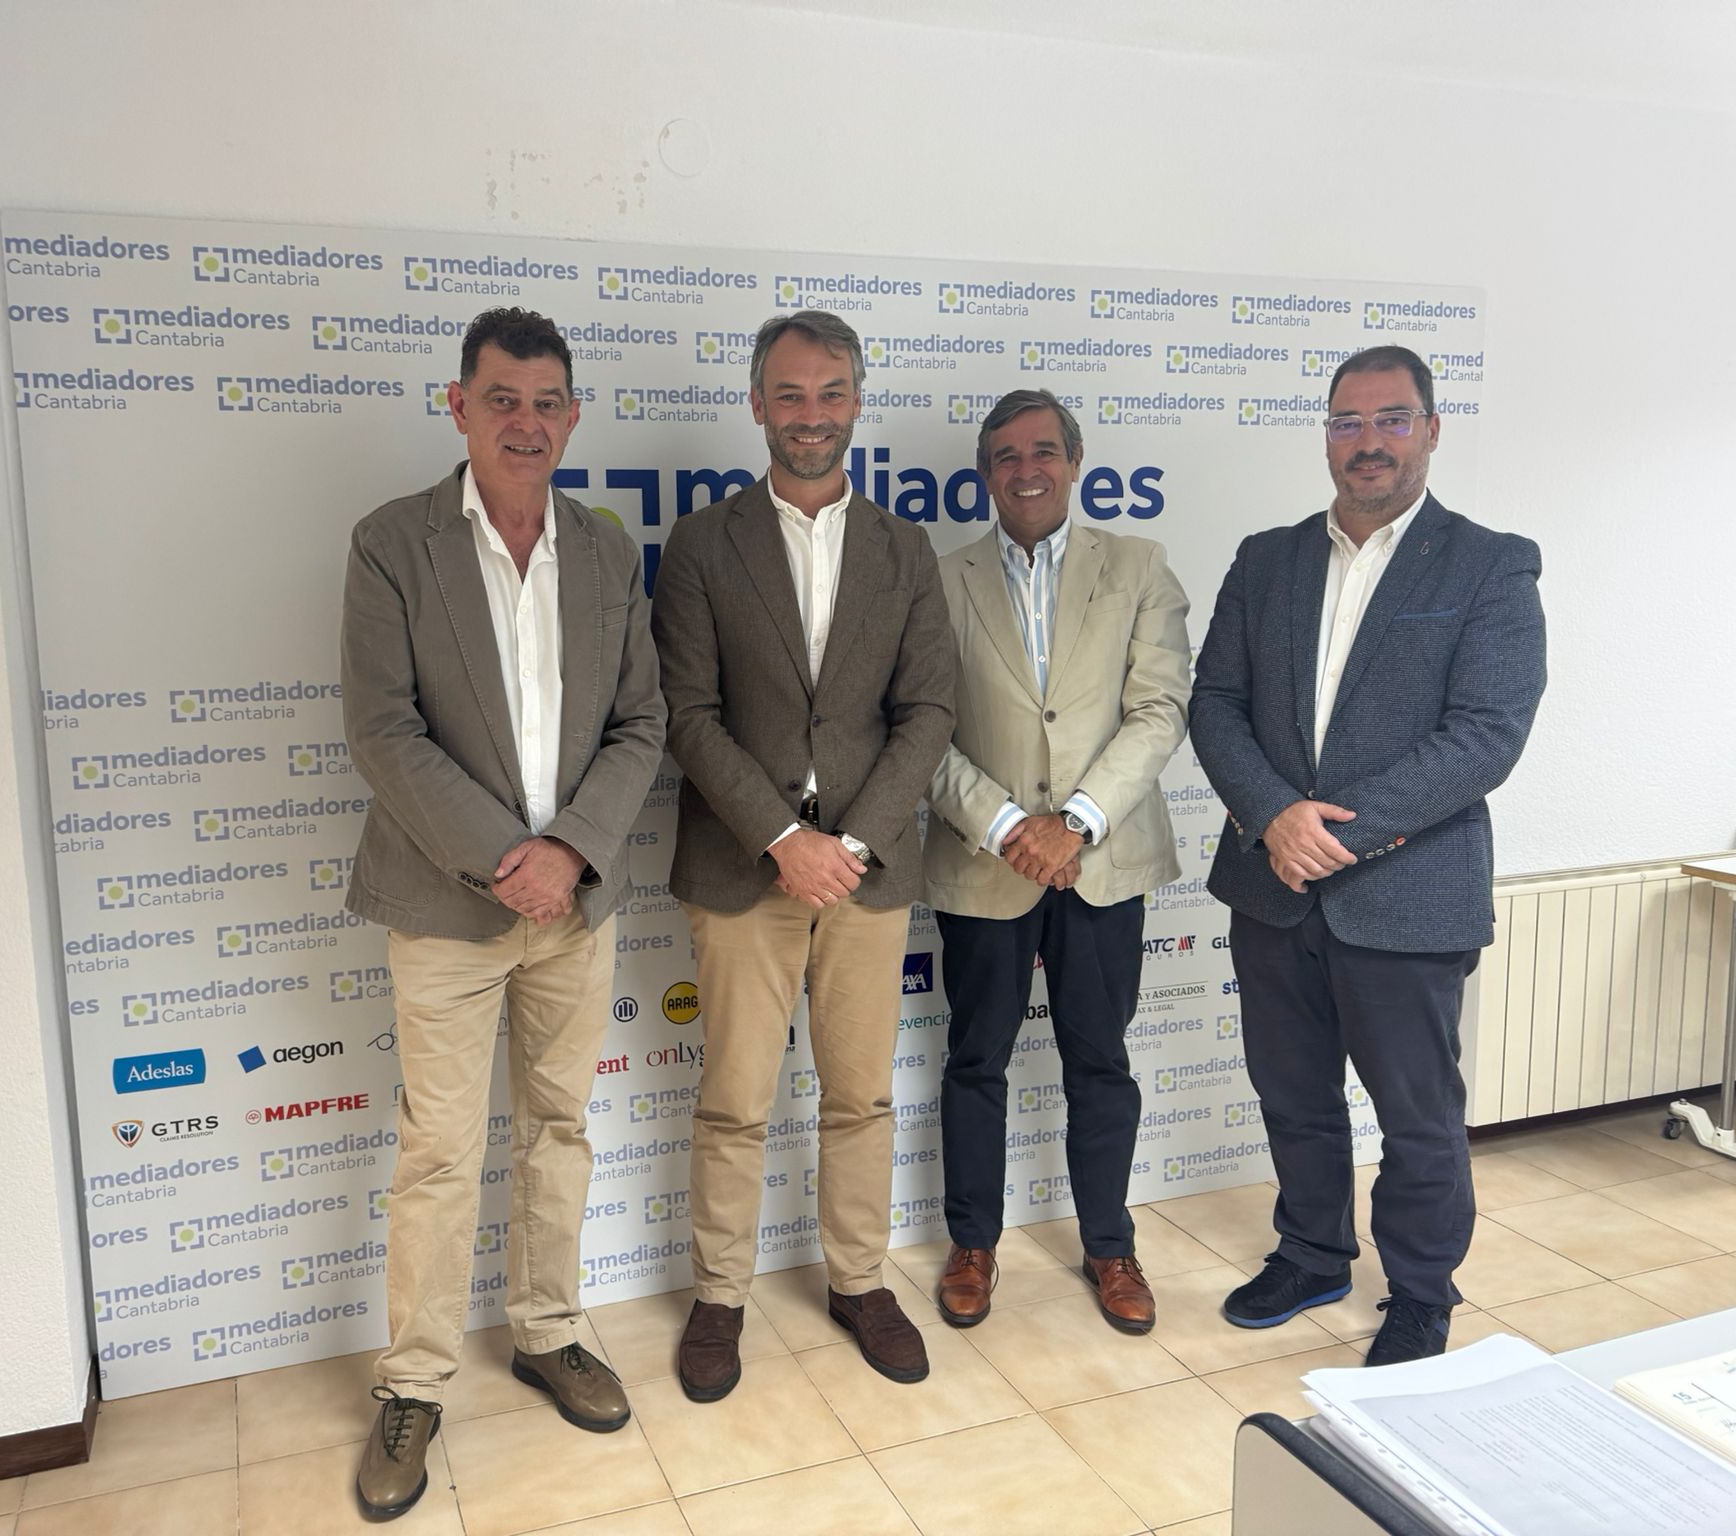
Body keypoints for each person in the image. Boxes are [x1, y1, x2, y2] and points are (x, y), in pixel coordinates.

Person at [340, 307, 665, 1517]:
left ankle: (547, 1331)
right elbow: (382, 730)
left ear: (570, 417)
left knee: (557, 1128)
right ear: (458, 406)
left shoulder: (606, 552)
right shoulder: (392, 543)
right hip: (444, 905)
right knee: (438, 1150)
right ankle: (412, 1384)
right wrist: (503, 859)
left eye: (544, 404)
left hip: (575, 904)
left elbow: (640, 722)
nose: (524, 424)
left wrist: (567, 851)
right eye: (500, 400)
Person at [1188, 343, 1545, 1366]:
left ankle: (1422, 1292)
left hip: (1405, 892)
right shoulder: (1266, 560)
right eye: (1347, 422)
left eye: (1391, 419)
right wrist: (1274, 817)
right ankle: (1311, 1254)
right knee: (1292, 1096)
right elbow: (1214, 704)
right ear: (1326, 437)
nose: (1368, 441)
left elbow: (1484, 735)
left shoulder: (1489, 563)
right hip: (1271, 888)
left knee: (1416, 1116)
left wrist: (1327, 834)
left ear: (1430, 429)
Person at [650, 310, 954, 1400]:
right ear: (757, 405)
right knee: (735, 1099)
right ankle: (720, 1296)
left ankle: (858, 1281)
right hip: (745, 868)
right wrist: (783, 840)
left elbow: (928, 711)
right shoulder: (702, 544)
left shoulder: (904, 549)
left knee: (860, 1099)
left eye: (830, 393)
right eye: (789, 394)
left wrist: (850, 843)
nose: (810, 415)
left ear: (856, 402)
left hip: (867, 875)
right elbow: (686, 715)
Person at [923, 389, 1191, 1332]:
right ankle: (972, 1243)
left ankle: (1110, 1245)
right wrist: (1008, 827)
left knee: (1101, 1062)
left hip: (1102, 860)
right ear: (984, 474)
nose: (1026, 469)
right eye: (1005, 456)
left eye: (1043, 451)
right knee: (975, 1062)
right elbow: (919, 727)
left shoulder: (1139, 566)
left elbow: (1159, 709)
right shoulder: (938, 579)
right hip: (984, 860)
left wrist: (1073, 824)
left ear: (1075, 463)